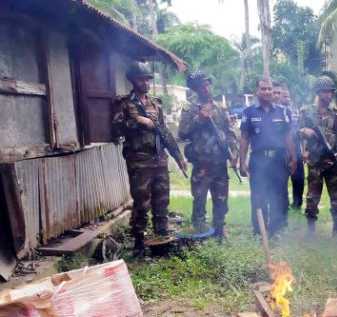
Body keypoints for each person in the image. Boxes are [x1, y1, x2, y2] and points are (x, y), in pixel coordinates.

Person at [112, 61, 187, 256]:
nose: (145, 82)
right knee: (141, 203)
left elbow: (164, 132)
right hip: (139, 161)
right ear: (133, 81)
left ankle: (161, 240)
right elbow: (115, 130)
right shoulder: (124, 104)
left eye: (147, 79)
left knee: (162, 200)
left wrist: (178, 156)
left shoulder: (156, 104)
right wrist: (137, 121)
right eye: (141, 79)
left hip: (159, 159)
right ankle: (139, 242)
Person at [178, 71, 238, 239]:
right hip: (201, 164)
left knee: (221, 198)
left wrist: (234, 152)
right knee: (199, 199)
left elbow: (229, 132)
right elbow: (182, 133)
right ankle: (199, 232)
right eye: (202, 85)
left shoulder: (219, 108)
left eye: (208, 84)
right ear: (195, 89)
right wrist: (199, 119)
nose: (206, 88)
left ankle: (220, 229)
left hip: (220, 163)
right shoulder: (190, 108)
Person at [240, 77, 297, 237]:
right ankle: (259, 232)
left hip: (278, 160)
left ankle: (275, 230)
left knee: (278, 196)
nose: (267, 92)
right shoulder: (249, 113)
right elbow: (244, 138)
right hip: (258, 161)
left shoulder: (282, 111)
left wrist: (293, 158)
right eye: (263, 89)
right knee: (259, 196)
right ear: (257, 91)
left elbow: (287, 137)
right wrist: (242, 162)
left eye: (270, 89)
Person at [299, 76, 337, 237]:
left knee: (336, 197)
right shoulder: (306, 112)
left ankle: (336, 231)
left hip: (332, 162)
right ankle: (311, 231)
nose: (328, 95)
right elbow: (295, 132)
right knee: (313, 196)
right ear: (318, 92)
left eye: (330, 92)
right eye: (325, 91)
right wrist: (304, 131)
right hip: (314, 161)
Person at [281, 86, 304, 210]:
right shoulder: (277, 112)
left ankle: (297, 204)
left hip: (296, 148)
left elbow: (299, 129)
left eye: (288, 96)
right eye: (284, 96)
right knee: (283, 178)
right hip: (282, 150)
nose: (287, 98)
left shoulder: (295, 111)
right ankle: (284, 204)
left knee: (299, 178)